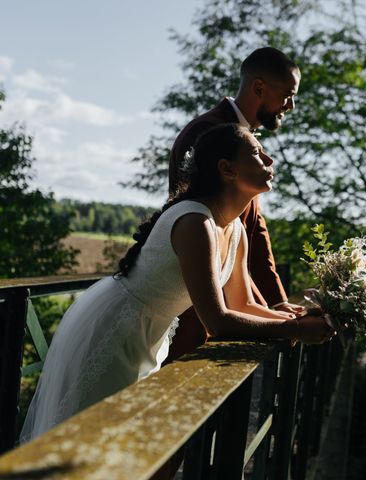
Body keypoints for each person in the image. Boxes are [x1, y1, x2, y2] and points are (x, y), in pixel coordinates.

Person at [20, 124, 334, 444]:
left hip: (151, 333)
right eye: (256, 153)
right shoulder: (194, 222)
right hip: (117, 329)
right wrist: (295, 331)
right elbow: (218, 320)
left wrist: (295, 318)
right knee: (89, 438)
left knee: (119, 438)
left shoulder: (235, 227)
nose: (269, 159)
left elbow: (242, 304)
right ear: (226, 169)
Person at [165, 47, 304, 363]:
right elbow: (203, 228)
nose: (291, 106)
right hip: (193, 312)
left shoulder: (247, 144)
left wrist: (277, 306)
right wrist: (273, 317)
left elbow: (253, 234)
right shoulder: (209, 133)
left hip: (223, 308)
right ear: (259, 88)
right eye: (288, 95)